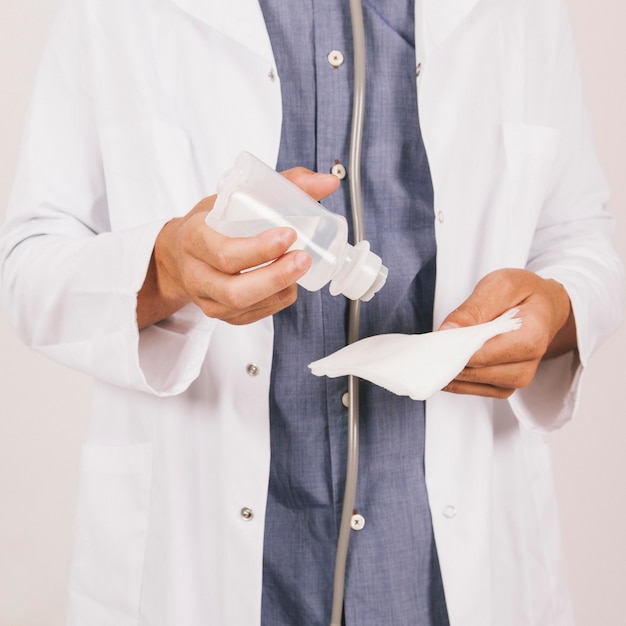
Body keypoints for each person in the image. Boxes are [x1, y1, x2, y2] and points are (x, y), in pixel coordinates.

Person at [0, 0, 622, 624]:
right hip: (205, 560)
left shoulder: (526, 14)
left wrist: (558, 312)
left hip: (442, 573)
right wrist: (168, 268)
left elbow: (580, 236)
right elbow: (27, 268)